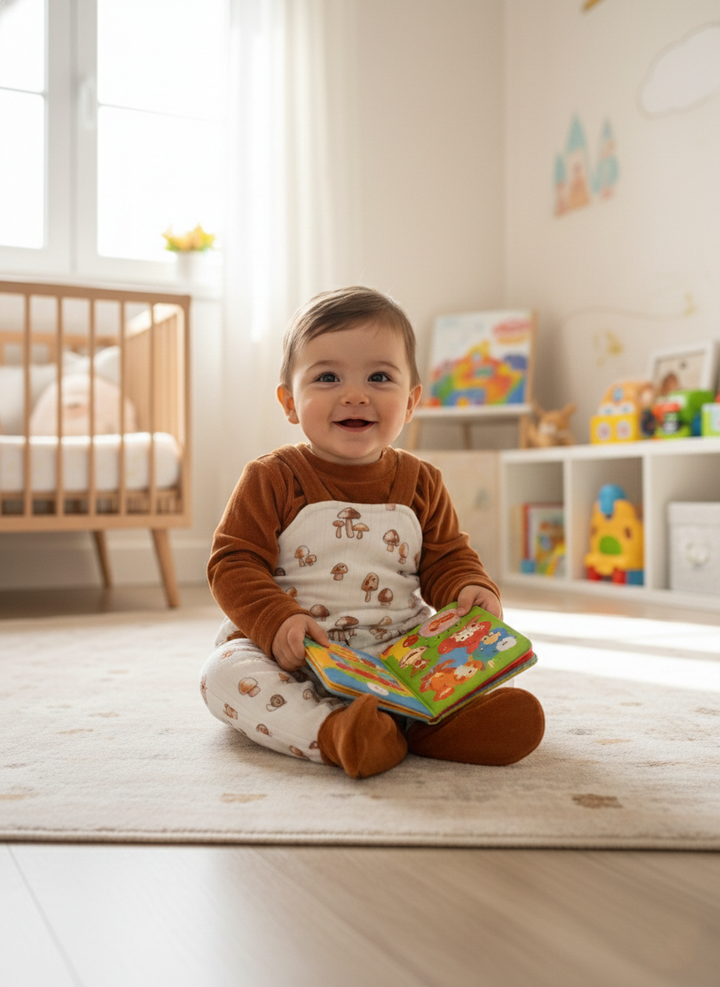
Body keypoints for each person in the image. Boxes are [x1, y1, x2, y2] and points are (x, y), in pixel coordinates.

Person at [200, 287, 545, 778]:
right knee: (222, 674)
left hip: (400, 652)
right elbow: (232, 563)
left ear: (411, 401)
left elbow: (447, 557)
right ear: (290, 402)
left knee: (477, 663)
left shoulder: (421, 481)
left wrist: (469, 588)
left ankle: (435, 726)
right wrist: (276, 622)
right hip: (298, 655)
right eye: (327, 377)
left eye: (379, 377)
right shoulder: (272, 477)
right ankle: (336, 732)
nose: (355, 394)